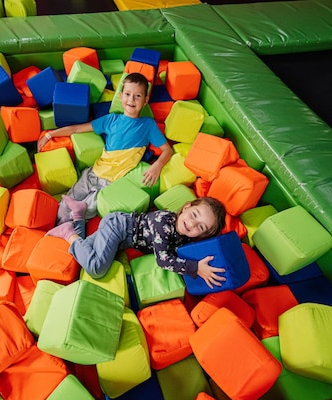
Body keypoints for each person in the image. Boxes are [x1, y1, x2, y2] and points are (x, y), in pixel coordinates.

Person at [37, 72, 174, 225]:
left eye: (137, 96)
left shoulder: (147, 125)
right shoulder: (111, 120)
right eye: (128, 94)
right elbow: (76, 129)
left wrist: (158, 165)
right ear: (121, 96)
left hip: (110, 184)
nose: (131, 99)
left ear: (145, 100)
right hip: (92, 174)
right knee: (63, 208)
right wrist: (49, 135)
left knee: (80, 214)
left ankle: (65, 238)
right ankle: (49, 237)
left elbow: (168, 150)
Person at [48, 195, 228, 289]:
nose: (192, 223)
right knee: (96, 268)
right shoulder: (163, 222)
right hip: (119, 227)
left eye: (201, 227)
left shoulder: (186, 235)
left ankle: (78, 214)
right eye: (194, 215)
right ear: (187, 206)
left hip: (124, 238)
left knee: (86, 250)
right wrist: (195, 268)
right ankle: (69, 233)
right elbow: (163, 260)